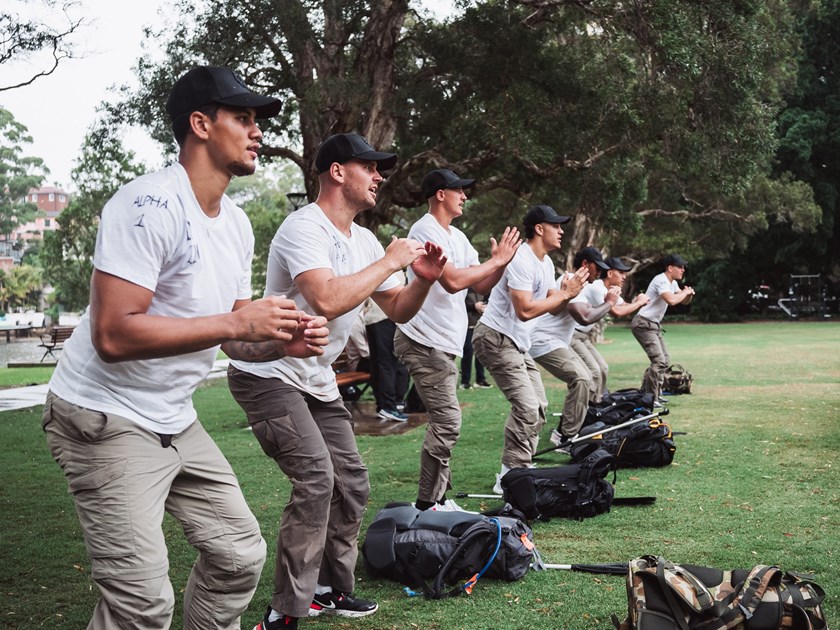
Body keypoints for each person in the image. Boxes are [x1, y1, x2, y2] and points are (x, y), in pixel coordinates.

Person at [41, 66, 331, 629]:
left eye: (256, 121)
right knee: (142, 607)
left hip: (174, 418)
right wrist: (239, 323)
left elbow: (232, 335)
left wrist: (278, 344)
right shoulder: (147, 204)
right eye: (242, 118)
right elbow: (113, 334)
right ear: (200, 124)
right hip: (104, 417)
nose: (257, 132)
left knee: (239, 556)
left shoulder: (238, 224)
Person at [226, 133, 446, 629]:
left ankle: (327, 589)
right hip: (268, 373)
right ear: (338, 172)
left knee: (350, 482)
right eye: (369, 167)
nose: (379, 176)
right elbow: (325, 299)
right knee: (317, 478)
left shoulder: (364, 240)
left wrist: (423, 280)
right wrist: (391, 261)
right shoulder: (303, 227)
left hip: (315, 376)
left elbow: (399, 311)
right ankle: (285, 611)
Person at [394, 168, 521, 512]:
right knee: (448, 422)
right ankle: (426, 504)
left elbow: (479, 284)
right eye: (458, 191)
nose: (464, 196)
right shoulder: (424, 229)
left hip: (442, 344)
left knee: (445, 423)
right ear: (440, 194)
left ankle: (438, 499)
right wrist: (494, 262)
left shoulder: (458, 237)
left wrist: (501, 265)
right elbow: (451, 281)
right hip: (423, 341)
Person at [470, 205, 588, 494]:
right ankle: (511, 476)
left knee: (539, 407)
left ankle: (519, 468)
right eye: (556, 225)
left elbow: (551, 304)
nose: (561, 231)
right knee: (526, 406)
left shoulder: (546, 264)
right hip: (495, 337)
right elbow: (524, 310)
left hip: (517, 343)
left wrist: (569, 293)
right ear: (539, 228)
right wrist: (563, 294)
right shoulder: (521, 259)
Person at [571, 255, 650, 403]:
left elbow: (624, 305)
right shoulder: (597, 288)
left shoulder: (609, 290)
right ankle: (589, 408)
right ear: (609, 273)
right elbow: (617, 312)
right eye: (621, 272)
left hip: (583, 337)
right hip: (573, 336)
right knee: (594, 372)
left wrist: (638, 301)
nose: (624, 277)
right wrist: (639, 302)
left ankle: (598, 403)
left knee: (603, 368)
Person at [630, 253, 695, 402]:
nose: (683, 270)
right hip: (643, 323)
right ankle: (652, 398)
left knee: (664, 360)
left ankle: (648, 394)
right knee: (659, 361)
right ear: (670, 268)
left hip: (653, 325)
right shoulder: (661, 280)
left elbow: (683, 301)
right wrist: (684, 293)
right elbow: (671, 300)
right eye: (680, 267)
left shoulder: (671, 283)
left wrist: (688, 293)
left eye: (683, 267)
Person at [363, 296, 409, 420]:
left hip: (371, 318)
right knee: (387, 362)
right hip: (384, 316)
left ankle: (383, 406)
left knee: (378, 362)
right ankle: (389, 406)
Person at [461, 288, 492, 389]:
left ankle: (481, 380)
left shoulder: (485, 288)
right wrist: (473, 306)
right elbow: (460, 304)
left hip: (481, 323)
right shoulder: (465, 288)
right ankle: (465, 382)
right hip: (467, 324)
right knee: (468, 352)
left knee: (481, 352)